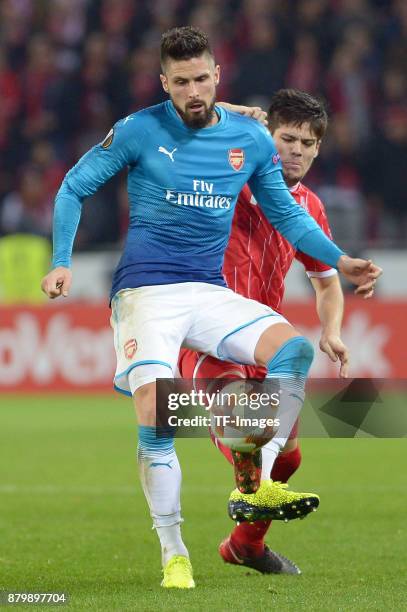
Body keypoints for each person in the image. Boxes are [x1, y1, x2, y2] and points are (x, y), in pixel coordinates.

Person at [41, 27, 381, 589]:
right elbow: (73, 188)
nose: (193, 91)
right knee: (158, 420)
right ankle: (174, 552)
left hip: (208, 294)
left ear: (217, 74)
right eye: (181, 82)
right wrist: (61, 260)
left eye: (202, 79)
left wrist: (340, 260)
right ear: (164, 84)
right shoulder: (140, 130)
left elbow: (291, 216)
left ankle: (261, 481)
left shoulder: (249, 143)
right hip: (146, 294)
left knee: (293, 352)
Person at [178, 88, 355, 576]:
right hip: (205, 332)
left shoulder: (310, 207)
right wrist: (234, 113)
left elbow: (326, 282)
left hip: (265, 341)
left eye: (307, 142)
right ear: (267, 137)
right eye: (287, 138)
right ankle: (244, 464)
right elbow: (183, 116)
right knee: (247, 423)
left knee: (289, 460)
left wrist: (332, 330)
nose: (296, 150)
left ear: (318, 149)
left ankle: (245, 546)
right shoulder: (228, 174)